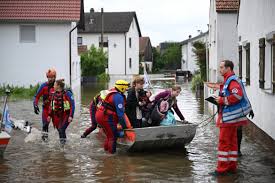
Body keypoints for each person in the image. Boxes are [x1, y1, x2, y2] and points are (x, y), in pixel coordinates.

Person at [207, 60, 254, 176]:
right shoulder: (232, 79)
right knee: (232, 143)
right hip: (233, 118)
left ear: (228, 68)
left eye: (222, 67)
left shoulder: (231, 80)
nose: (220, 69)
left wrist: (222, 100)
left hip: (228, 118)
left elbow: (237, 95)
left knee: (223, 142)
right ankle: (232, 167)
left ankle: (221, 170)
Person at [95, 80, 130, 154]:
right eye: (126, 88)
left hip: (99, 115)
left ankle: (106, 151)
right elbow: (120, 115)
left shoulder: (111, 91)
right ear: (122, 88)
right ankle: (111, 156)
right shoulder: (118, 97)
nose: (126, 90)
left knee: (109, 135)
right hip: (106, 117)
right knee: (113, 137)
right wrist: (124, 126)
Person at [48, 79, 75, 145]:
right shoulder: (53, 94)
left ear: (58, 86)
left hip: (66, 115)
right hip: (57, 116)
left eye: (54, 85)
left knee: (61, 129)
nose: (53, 86)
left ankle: (63, 147)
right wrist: (49, 115)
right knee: (60, 131)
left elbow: (72, 105)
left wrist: (71, 116)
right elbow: (51, 106)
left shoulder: (67, 93)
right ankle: (63, 145)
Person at [33, 68, 56, 141]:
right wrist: (35, 105)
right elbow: (36, 97)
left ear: (55, 77)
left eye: (52, 77)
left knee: (59, 128)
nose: (50, 79)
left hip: (55, 110)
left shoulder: (57, 86)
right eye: (49, 77)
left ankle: (61, 143)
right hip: (46, 110)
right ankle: (44, 145)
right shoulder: (43, 86)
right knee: (45, 126)